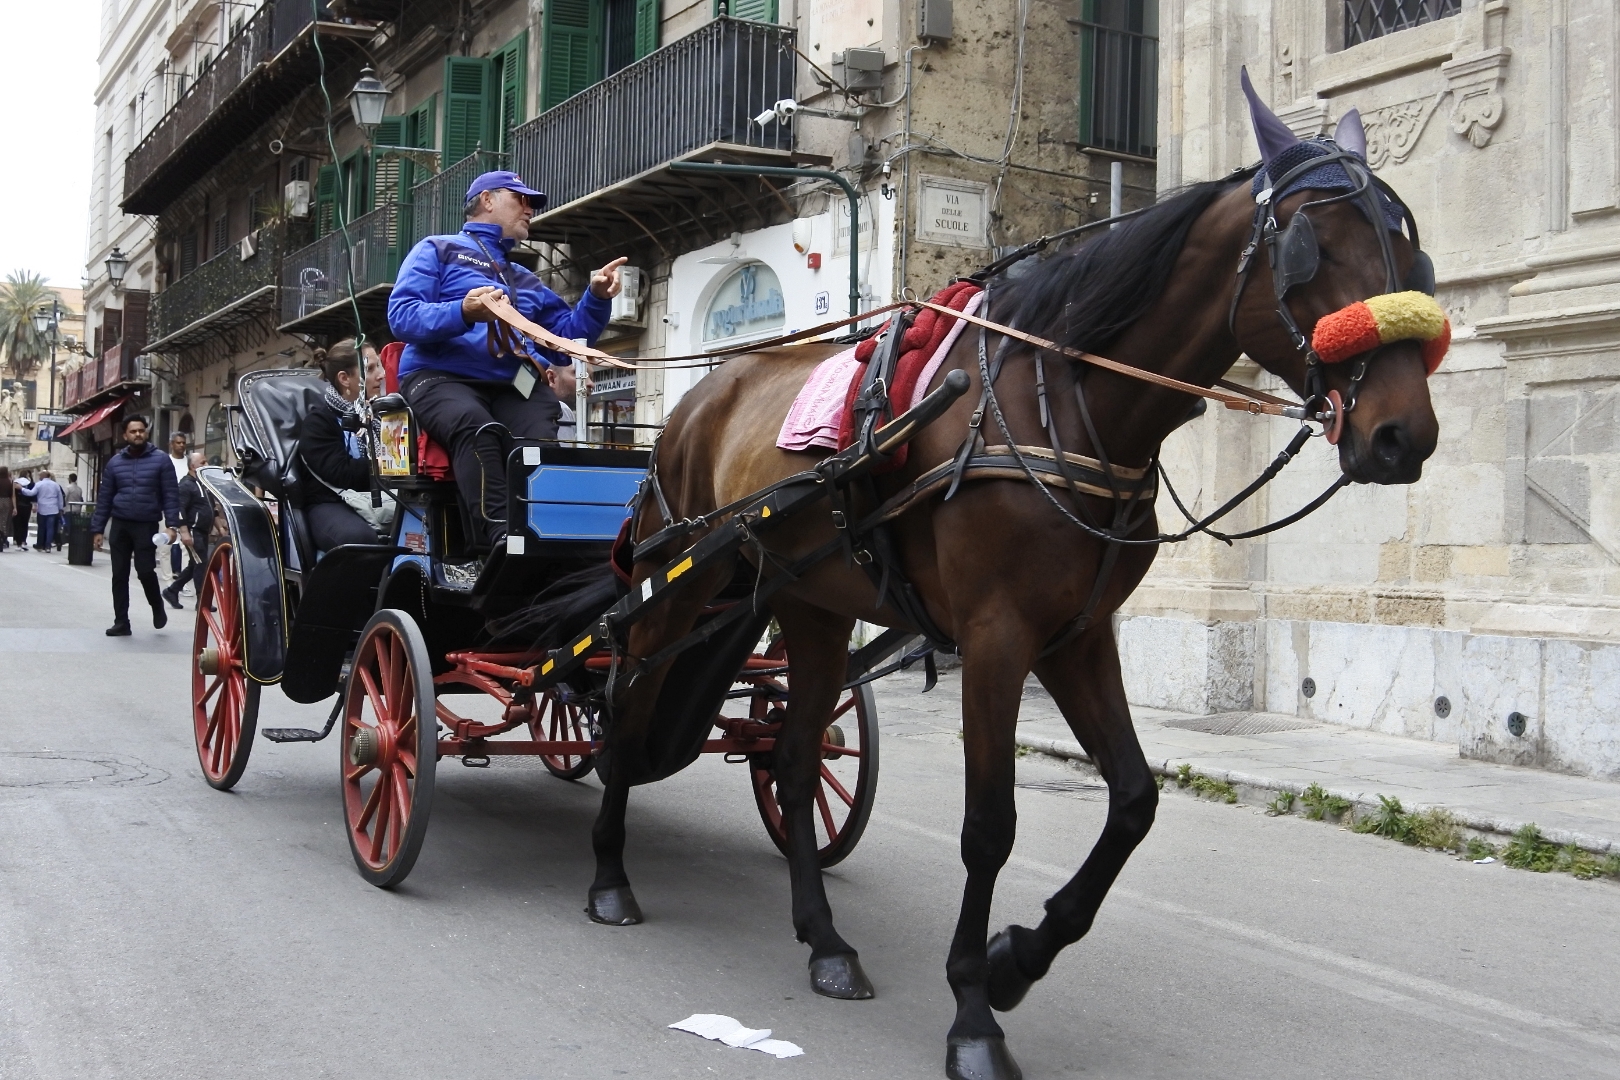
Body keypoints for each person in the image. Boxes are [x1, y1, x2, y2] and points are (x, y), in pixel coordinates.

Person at [387, 169, 626, 547]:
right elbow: (402, 316)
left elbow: (563, 341)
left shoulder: (524, 279)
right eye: (521, 199)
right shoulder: (437, 249)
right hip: (439, 375)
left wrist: (596, 298)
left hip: (508, 381)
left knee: (539, 429)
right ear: (487, 200)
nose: (530, 209)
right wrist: (463, 311)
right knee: (476, 426)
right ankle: (499, 537)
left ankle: (548, 531)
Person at [91, 415, 180, 636]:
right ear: (125, 435)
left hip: (146, 525)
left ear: (146, 432)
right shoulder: (115, 463)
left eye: (141, 430)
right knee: (119, 575)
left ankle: (157, 606)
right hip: (120, 525)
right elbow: (105, 498)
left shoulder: (161, 460)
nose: (138, 434)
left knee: (145, 571)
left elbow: (170, 495)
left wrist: (172, 525)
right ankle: (121, 622)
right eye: (133, 431)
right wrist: (97, 529)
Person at [299, 340, 384, 551]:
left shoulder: (381, 415)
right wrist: (386, 465)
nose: (381, 375)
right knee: (359, 539)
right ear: (345, 378)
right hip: (331, 502)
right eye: (370, 369)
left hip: (381, 495)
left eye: (380, 365)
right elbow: (340, 473)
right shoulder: (318, 423)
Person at [162, 452, 214, 609]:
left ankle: (172, 590)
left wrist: (219, 526)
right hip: (193, 530)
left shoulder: (203, 484)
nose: (206, 465)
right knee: (201, 564)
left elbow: (212, 508)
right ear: (193, 466)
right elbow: (179, 509)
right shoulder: (186, 485)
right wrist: (184, 532)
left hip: (203, 531)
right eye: (203, 462)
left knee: (195, 564)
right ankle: (202, 601)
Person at [18, 471, 64, 550]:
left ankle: (40, 544)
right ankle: (48, 546)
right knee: (50, 528)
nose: (39, 477)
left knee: (41, 527)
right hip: (53, 509)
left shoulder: (39, 484)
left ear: (43, 476)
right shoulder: (56, 485)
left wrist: (21, 489)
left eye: (39, 476)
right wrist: (60, 508)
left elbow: (31, 493)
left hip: (42, 508)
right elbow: (60, 498)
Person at [165, 432, 189, 583]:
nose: (181, 445)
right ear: (171, 444)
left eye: (183, 443)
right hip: (168, 505)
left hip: (186, 506)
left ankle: (183, 581)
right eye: (178, 442)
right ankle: (168, 580)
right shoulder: (165, 461)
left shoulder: (189, 461)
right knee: (166, 546)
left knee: (185, 545)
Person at [12, 470, 32, 550]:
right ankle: (24, 540)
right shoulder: (30, 483)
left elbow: (13, 495)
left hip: (18, 505)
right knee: (25, 524)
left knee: (17, 524)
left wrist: (14, 507)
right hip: (27, 506)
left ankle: (18, 542)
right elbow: (32, 495)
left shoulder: (15, 483)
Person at [0, 467, 12, 552]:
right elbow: (11, 494)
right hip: (6, 501)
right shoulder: (9, 482)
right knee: (4, 520)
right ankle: (3, 538)